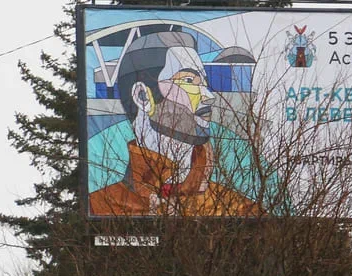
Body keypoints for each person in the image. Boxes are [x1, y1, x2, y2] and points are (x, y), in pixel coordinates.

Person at [89, 30, 263, 218]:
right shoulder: (100, 206)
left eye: (203, 83)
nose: (208, 96)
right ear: (142, 96)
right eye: (189, 80)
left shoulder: (240, 210)